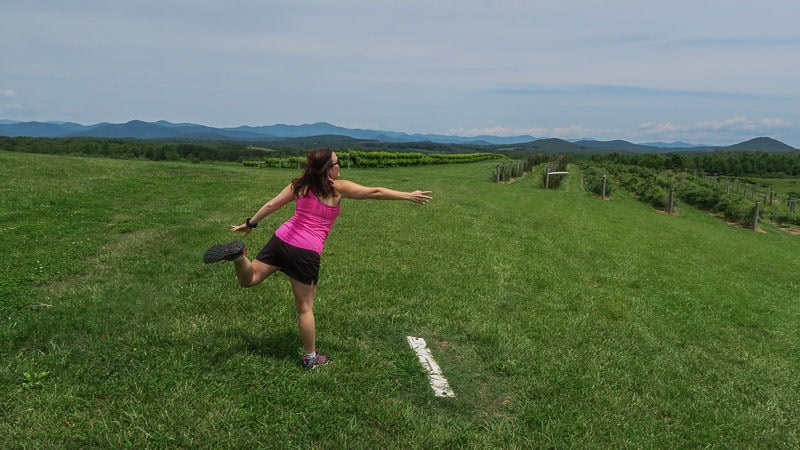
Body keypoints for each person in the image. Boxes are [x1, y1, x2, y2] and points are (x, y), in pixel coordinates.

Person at [203, 148, 432, 370]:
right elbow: (374, 192)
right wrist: (408, 195)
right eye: (336, 162)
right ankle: (311, 358)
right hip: (306, 251)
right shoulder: (336, 188)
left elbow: (273, 204)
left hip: (282, 239)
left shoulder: (299, 185)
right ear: (327, 169)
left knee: (249, 278)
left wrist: (251, 223)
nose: (339, 165)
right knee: (305, 308)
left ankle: (238, 257)